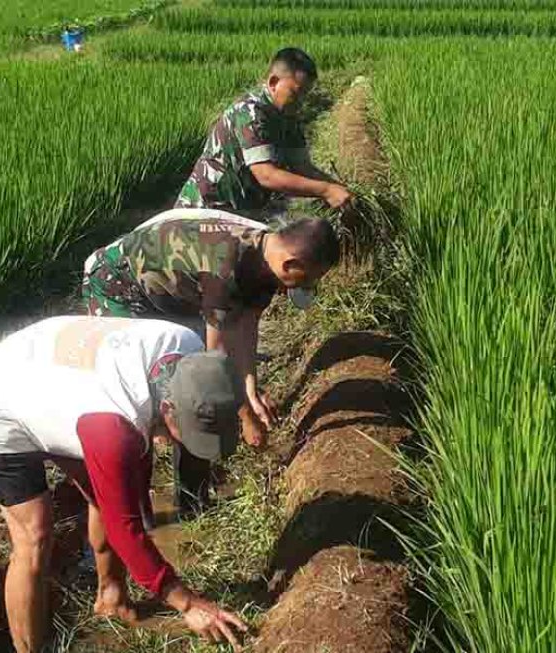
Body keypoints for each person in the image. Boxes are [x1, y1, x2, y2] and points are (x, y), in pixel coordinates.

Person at [0, 316, 248, 652]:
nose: (183, 442)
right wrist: (187, 602)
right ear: (168, 407)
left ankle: (111, 597)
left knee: (111, 493)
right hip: (0, 395)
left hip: (61, 380)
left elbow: (125, 494)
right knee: (34, 538)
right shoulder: (114, 426)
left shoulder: (192, 354)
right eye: (187, 431)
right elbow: (124, 527)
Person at [82, 208, 340, 514]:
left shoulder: (265, 262)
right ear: (291, 264)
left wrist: (250, 391)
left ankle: (193, 500)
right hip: (117, 287)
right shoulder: (223, 267)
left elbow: (247, 324)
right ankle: (141, 509)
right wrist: (246, 417)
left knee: (194, 385)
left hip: (170, 293)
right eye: (306, 280)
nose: (304, 288)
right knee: (154, 395)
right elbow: (214, 364)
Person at [175, 47, 353, 218]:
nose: (301, 102)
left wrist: (339, 189)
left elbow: (302, 167)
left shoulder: (289, 116)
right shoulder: (250, 113)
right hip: (204, 213)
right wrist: (326, 190)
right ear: (273, 82)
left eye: (305, 95)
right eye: (296, 93)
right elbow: (267, 175)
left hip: (240, 213)